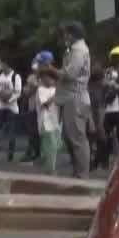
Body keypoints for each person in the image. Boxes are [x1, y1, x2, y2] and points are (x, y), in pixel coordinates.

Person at [54, 22, 91, 178]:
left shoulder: (79, 51)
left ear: (72, 34)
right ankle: (78, 172)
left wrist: (51, 70)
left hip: (75, 98)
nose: (64, 37)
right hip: (70, 97)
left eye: (66, 34)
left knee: (77, 138)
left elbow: (70, 74)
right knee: (70, 137)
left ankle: (82, 175)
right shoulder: (75, 50)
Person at [0, 59, 23, 164]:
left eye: (1, 63)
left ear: (6, 64)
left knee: (11, 132)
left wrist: (8, 98)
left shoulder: (16, 76)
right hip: (0, 106)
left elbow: (18, 92)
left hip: (12, 107)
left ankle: (10, 154)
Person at [35, 65, 62, 174]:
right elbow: (45, 103)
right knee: (51, 146)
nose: (47, 80)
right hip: (46, 122)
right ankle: (51, 169)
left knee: (57, 145)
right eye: (44, 77)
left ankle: (43, 160)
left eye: (50, 78)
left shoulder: (55, 89)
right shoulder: (41, 90)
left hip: (56, 120)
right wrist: (56, 95)